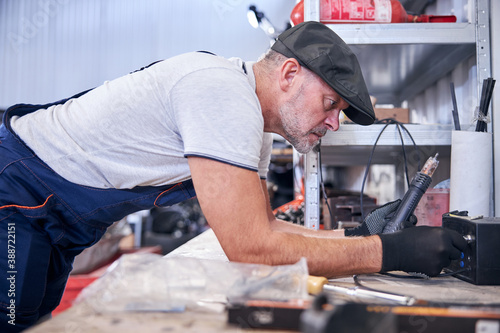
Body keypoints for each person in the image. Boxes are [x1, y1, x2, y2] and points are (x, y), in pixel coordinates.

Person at [0, 21, 465, 332]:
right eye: (331, 104)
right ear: (288, 73)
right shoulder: (221, 93)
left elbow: (262, 227)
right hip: (19, 196)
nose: (333, 124)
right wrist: (386, 252)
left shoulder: (250, 121)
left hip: (57, 218)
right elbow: (251, 248)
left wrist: (349, 235)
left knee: (34, 321)